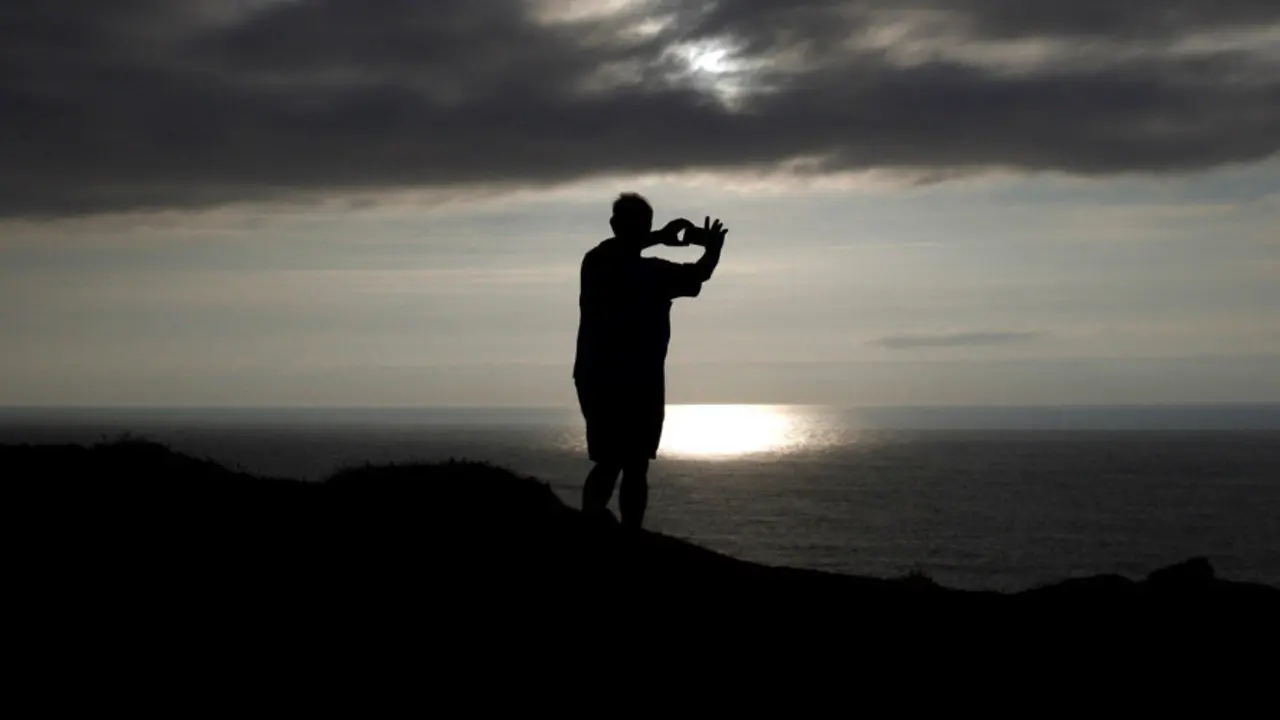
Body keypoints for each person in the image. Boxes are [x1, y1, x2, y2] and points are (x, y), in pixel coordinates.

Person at [573, 192, 728, 529]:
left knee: (634, 462)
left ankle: (627, 532)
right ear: (615, 225)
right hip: (605, 376)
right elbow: (695, 273)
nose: (638, 231)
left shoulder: (648, 271)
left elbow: (698, 274)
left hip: (638, 378)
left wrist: (711, 250)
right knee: (613, 459)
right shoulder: (600, 263)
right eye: (634, 225)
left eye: (643, 225)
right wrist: (669, 239)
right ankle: (595, 526)